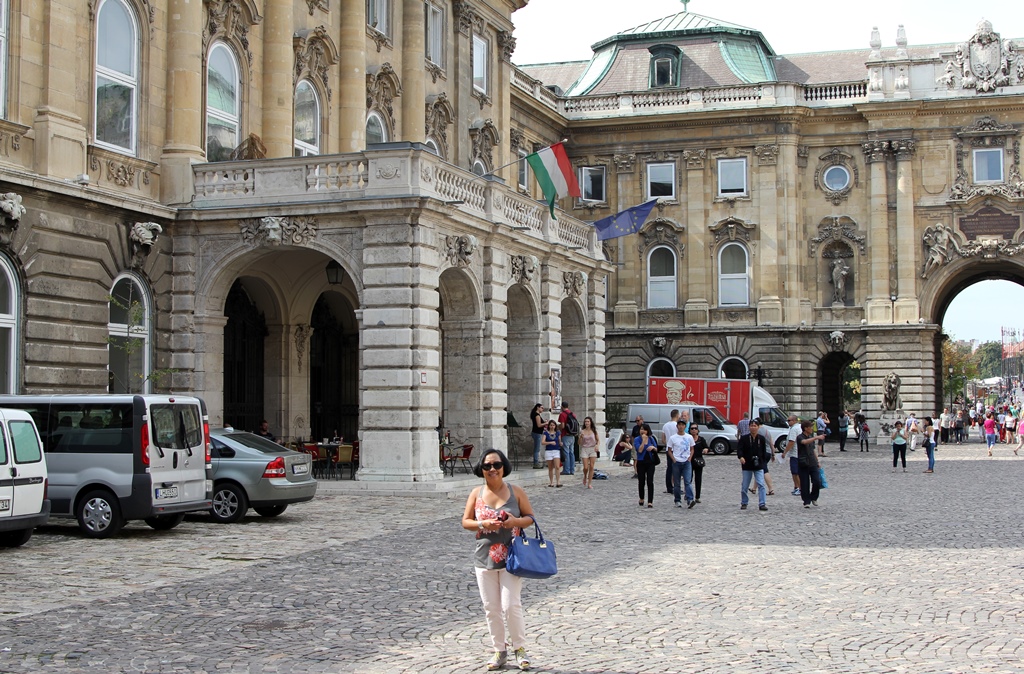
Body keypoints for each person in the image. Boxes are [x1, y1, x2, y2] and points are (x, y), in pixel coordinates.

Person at [461, 449, 535, 671]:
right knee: (491, 608)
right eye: (487, 466)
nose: (492, 469)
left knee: (510, 605)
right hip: (484, 558)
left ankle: (520, 649)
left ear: (504, 467)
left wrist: (515, 522)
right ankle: (499, 651)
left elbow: (530, 518)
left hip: (513, 557)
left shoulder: (516, 491)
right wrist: (483, 524)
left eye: (496, 464)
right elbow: (466, 521)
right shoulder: (476, 493)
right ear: (481, 469)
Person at [738, 419, 769, 511]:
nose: (753, 427)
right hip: (747, 464)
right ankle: (744, 502)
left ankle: (762, 503)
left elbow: (763, 451)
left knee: (761, 484)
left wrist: (763, 462)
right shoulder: (744, 438)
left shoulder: (761, 439)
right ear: (749, 427)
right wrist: (741, 457)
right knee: (745, 486)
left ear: (758, 427)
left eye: (755, 426)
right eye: (751, 425)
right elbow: (740, 449)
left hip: (758, 464)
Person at [795, 419, 824, 508]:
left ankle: (814, 497)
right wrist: (816, 437)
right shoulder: (800, 437)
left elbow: (813, 450)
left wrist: (817, 461)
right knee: (804, 483)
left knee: (817, 481)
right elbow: (804, 442)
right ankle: (806, 501)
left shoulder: (811, 437)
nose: (812, 428)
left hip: (812, 462)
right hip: (803, 463)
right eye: (810, 427)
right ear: (805, 428)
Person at [667, 419, 695, 508]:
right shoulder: (673, 438)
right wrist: (674, 459)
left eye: (682, 425)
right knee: (677, 483)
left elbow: (692, 448)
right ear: (677, 426)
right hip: (677, 462)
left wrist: (690, 458)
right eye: (679, 425)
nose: (681, 426)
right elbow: (669, 450)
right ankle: (677, 500)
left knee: (687, 481)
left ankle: (690, 499)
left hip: (686, 462)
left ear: (685, 426)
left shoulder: (689, 437)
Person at [634, 425, 658, 508]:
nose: (642, 431)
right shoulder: (637, 439)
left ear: (648, 431)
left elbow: (656, 448)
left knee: (650, 481)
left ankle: (650, 501)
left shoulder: (651, 438)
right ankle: (641, 497)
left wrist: (653, 448)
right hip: (641, 462)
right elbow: (639, 450)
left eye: (644, 429)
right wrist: (643, 441)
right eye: (641, 429)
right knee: (641, 481)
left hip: (650, 462)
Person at [689, 425, 709, 503]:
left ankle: (697, 496)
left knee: (698, 479)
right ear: (690, 430)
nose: (694, 430)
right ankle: (688, 494)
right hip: (689, 461)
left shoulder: (701, 439)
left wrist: (706, 449)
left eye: (695, 428)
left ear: (698, 430)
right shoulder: (687, 438)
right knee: (688, 479)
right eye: (692, 428)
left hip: (698, 461)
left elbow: (707, 447)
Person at [662, 409, 681, 494]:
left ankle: (669, 487)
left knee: (669, 469)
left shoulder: (665, 425)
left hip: (668, 449)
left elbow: (663, 439)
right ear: (677, 415)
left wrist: (668, 443)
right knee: (677, 469)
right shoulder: (677, 425)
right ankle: (677, 487)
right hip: (676, 449)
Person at [783, 414, 802, 495]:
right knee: (795, 472)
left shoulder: (794, 429)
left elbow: (791, 441)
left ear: (794, 421)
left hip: (795, 453)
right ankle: (796, 487)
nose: (788, 422)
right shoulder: (799, 427)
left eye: (789, 420)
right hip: (799, 452)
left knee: (795, 472)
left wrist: (785, 452)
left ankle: (800, 488)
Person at [578, 416, 599, 489]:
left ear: (590, 423)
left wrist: (597, 445)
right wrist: (580, 437)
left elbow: (598, 440)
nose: (586, 423)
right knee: (586, 467)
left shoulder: (594, 431)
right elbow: (579, 443)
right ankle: (584, 476)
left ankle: (589, 483)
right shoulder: (582, 431)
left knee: (592, 466)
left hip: (592, 448)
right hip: (584, 448)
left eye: (588, 421)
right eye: (585, 421)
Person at [557, 402, 577, 476]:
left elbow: (562, 426)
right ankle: (572, 470)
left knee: (566, 453)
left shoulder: (562, 414)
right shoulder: (572, 414)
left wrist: (557, 427)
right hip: (572, 435)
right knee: (571, 453)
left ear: (562, 406)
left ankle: (566, 470)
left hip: (565, 435)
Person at [541, 420, 562, 488]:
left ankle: (558, 482)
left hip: (556, 450)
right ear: (549, 426)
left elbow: (559, 441)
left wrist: (561, 443)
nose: (552, 426)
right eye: (551, 425)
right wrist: (550, 442)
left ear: (555, 426)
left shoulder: (558, 433)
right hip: (549, 451)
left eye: (553, 425)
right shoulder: (546, 433)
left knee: (557, 467)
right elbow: (543, 442)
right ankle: (551, 482)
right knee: (550, 468)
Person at [529, 403, 545, 469]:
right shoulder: (537, 415)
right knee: (537, 449)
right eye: (541, 408)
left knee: (536, 448)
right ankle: (536, 463)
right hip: (537, 433)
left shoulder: (535, 414)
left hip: (536, 432)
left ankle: (536, 462)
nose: (542, 409)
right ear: (538, 407)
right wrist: (546, 423)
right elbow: (539, 425)